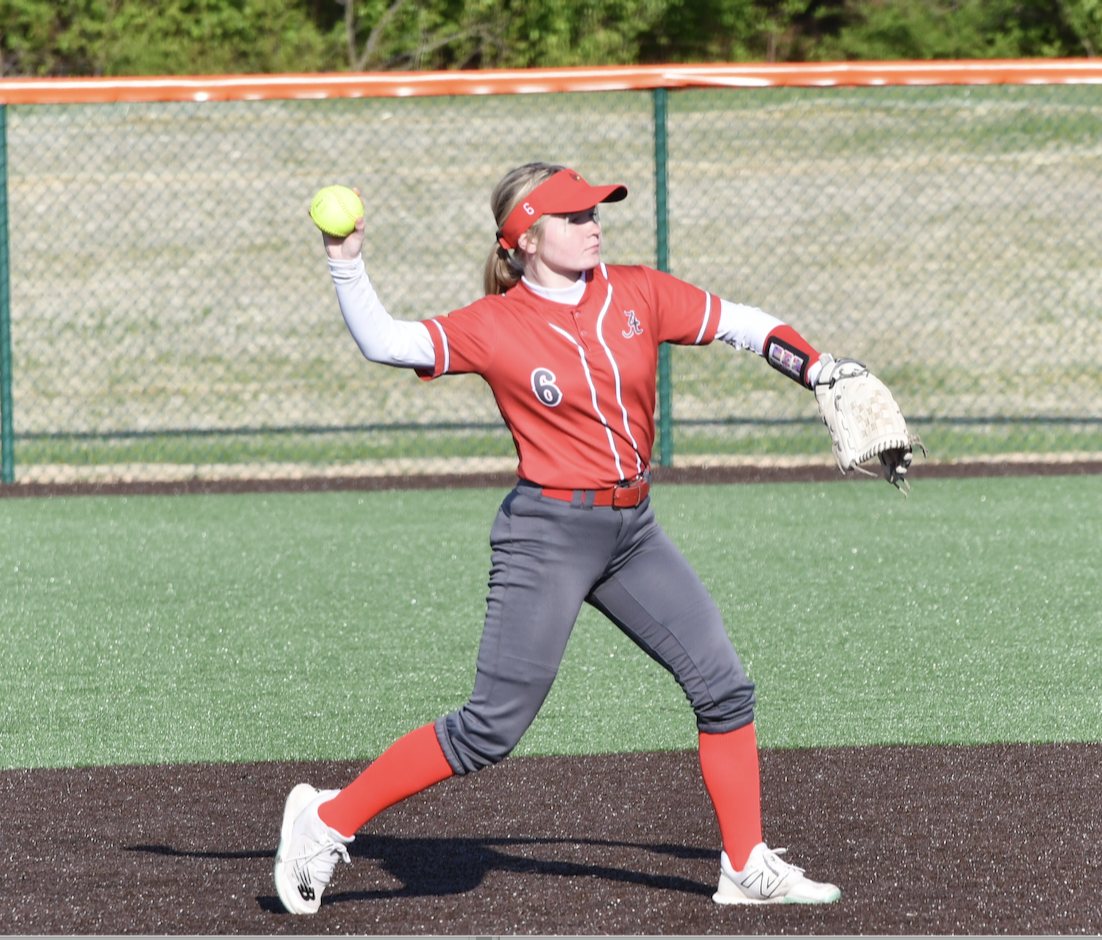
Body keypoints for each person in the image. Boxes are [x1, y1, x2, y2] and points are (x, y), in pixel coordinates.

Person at [274, 162, 843, 915]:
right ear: (527, 239)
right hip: (548, 533)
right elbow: (385, 341)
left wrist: (822, 371)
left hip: (631, 530)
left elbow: (745, 323)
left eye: (595, 212)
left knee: (723, 688)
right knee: (489, 730)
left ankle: (746, 865)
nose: (593, 225)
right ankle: (326, 818)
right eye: (574, 217)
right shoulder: (495, 323)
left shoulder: (636, 291)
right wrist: (344, 260)